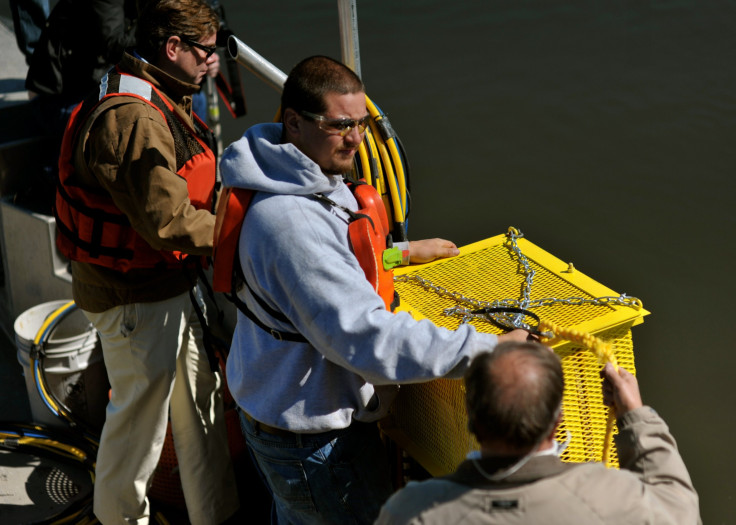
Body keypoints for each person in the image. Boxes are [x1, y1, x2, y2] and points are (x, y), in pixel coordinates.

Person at [218, 54, 531, 524]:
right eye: (341, 125)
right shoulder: (288, 223)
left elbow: (322, 272)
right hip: (312, 445)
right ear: (294, 123)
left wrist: (397, 255)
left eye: (362, 124)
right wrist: (489, 352)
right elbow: (368, 339)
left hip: (279, 414)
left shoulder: (299, 173)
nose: (357, 139)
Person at [53, 0, 238, 523]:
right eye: (205, 51)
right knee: (139, 431)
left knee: (200, 409)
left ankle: (215, 515)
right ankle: (119, 518)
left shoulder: (152, 86)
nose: (213, 62)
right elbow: (167, 223)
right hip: (132, 300)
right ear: (172, 48)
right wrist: (244, 236)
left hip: (168, 287)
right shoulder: (133, 120)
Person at [376, 342, 702, 524]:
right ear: (558, 420)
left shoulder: (411, 511)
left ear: (471, 420)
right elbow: (681, 511)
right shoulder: (614, 499)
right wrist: (635, 416)